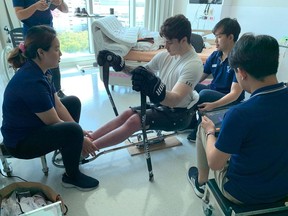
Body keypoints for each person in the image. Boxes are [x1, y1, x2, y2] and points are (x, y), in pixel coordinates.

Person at [187, 33, 288, 205]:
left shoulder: (240, 113)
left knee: (204, 129)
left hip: (243, 193)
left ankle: (201, 181)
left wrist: (211, 131)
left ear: (241, 72)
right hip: (283, 187)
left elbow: (216, 163)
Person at [1, 25, 99, 191]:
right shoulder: (31, 82)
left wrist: (80, 132)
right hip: (20, 143)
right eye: (56, 49)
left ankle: (68, 150)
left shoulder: (42, 71)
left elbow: (58, 104)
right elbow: (54, 121)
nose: (60, 54)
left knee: (72, 102)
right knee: (72, 130)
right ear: (41, 52)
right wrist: (80, 138)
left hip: (31, 125)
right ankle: (71, 176)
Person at [90, 14, 203, 150]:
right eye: (165, 41)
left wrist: (156, 90)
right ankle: (87, 139)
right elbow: (141, 72)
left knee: (134, 121)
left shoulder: (193, 64)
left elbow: (175, 100)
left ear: (183, 40)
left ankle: (88, 149)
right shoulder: (166, 55)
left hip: (179, 115)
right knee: (127, 113)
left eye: (169, 42)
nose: (165, 46)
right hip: (162, 105)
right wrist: (121, 65)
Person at [186, 18, 245, 142]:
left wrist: (213, 105)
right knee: (190, 86)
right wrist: (185, 85)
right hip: (213, 91)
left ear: (230, 37)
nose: (216, 41)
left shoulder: (238, 60)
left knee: (204, 94)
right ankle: (190, 122)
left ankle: (198, 129)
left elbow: (235, 94)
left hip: (229, 98)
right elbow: (199, 76)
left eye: (219, 37)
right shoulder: (215, 55)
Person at [12, 0, 69, 98]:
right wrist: (35, 7)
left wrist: (59, 2)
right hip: (32, 36)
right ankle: (41, 94)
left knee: (54, 62)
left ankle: (56, 92)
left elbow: (65, 10)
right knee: (35, 66)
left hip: (49, 32)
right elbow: (19, 15)